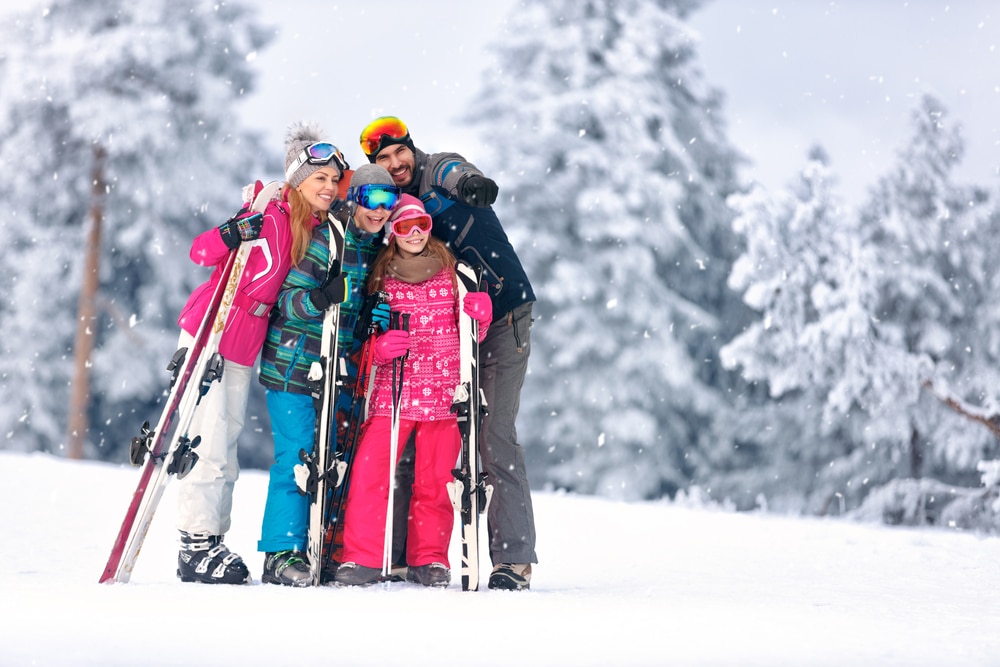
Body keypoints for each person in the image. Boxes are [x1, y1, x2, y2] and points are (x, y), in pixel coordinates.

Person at [358, 116, 538, 591]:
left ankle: (512, 559)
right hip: (447, 333)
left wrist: (472, 185)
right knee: (426, 436)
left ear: (413, 150)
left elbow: (455, 169)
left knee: (490, 430)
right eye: (383, 159)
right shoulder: (394, 207)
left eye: (400, 153)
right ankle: (409, 554)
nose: (395, 164)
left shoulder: (437, 173)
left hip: (499, 317)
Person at [173, 123, 346, 585]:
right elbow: (200, 252)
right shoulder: (267, 213)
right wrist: (232, 233)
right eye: (319, 179)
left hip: (247, 344)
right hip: (213, 328)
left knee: (225, 443)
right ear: (297, 179)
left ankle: (210, 539)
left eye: (334, 179)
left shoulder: (320, 228)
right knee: (209, 439)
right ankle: (195, 542)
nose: (329, 187)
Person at [334, 195, 493, 588]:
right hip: (393, 392)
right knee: (371, 474)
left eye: (421, 223)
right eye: (405, 226)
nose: (416, 233)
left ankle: (430, 559)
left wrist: (481, 316)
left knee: (435, 481)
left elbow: (470, 335)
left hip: (442, 393)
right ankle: (362, 557)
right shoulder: (381, 278)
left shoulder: (452, 273)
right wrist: (379, 348)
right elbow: (366, 337)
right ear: (393, 233)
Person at [256, 162, 400, 586]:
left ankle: (321, 546)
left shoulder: (376, 250)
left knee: (333, 458)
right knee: (298, 455)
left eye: (387, 202)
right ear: (354, 199)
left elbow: (354, 318)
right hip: (294, 367)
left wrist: (369, 321)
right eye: (372, 199)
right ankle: (280, 552)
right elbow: (289, 301)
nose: (379, 210)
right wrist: (319, 297)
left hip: (336, 371)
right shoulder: (328, 240)